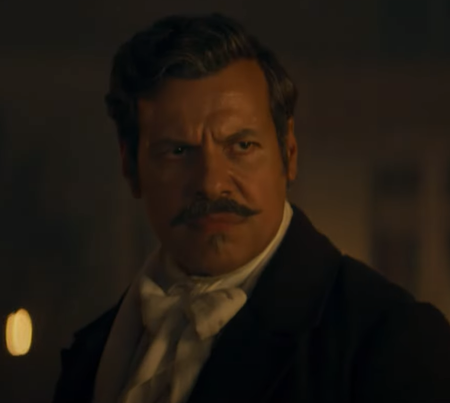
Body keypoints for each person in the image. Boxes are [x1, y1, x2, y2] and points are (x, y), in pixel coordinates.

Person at [52, 13, 450, 403]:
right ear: (130, 166)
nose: (211, 183)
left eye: (242, 146)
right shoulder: (93, 352)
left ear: (288, 152)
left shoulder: (391, 341)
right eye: (177, 151)